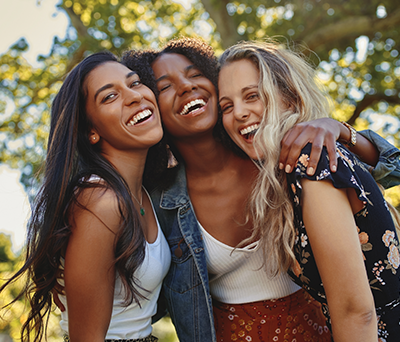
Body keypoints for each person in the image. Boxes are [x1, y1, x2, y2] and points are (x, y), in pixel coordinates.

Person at [122, 37, 400, 342]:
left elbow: (384, 172)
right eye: (164, 86)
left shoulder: (282, 154)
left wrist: (339, 129)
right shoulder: (159, 203)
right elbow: (141, 291)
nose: (186, 87)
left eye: (194, 74)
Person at [217, 40, 400, 341]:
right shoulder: (294, 168)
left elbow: (357, 312)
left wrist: (340, 128)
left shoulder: (312, 161)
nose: (239, 113)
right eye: (227, 106)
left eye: (253, 96)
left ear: (289, 96)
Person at [0, 52, 171, 342]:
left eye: (136, 83)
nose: (134, 97)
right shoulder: (100, 201)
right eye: (109, 97)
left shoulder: (142, 191)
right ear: (91, 131)